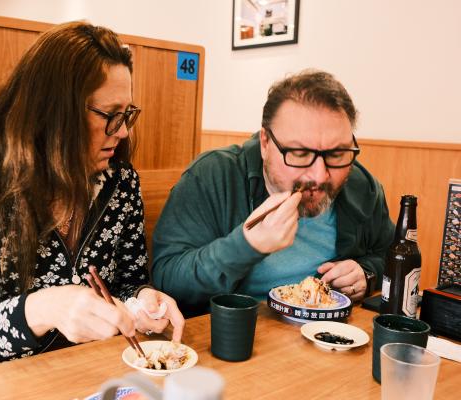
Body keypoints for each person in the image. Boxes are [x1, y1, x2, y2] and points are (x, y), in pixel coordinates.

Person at [0, 21, 184, 374]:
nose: (122, 132)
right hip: (1, 381)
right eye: (111, 115)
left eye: (127, 115)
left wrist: (143, 300)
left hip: (92, 370)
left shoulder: (119, 182)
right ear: (52, 111)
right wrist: (43, 309)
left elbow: (128, 280)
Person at [151, 69, 395, 316]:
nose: (320, 176)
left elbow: (395, 254)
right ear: (266, 143)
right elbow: (168, 278)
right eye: (300, 154)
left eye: (336, 155)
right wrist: (247, 245)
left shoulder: (360, 185)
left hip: (330, 337)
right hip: (238, 339)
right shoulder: (213, 176)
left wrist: (366, 273)